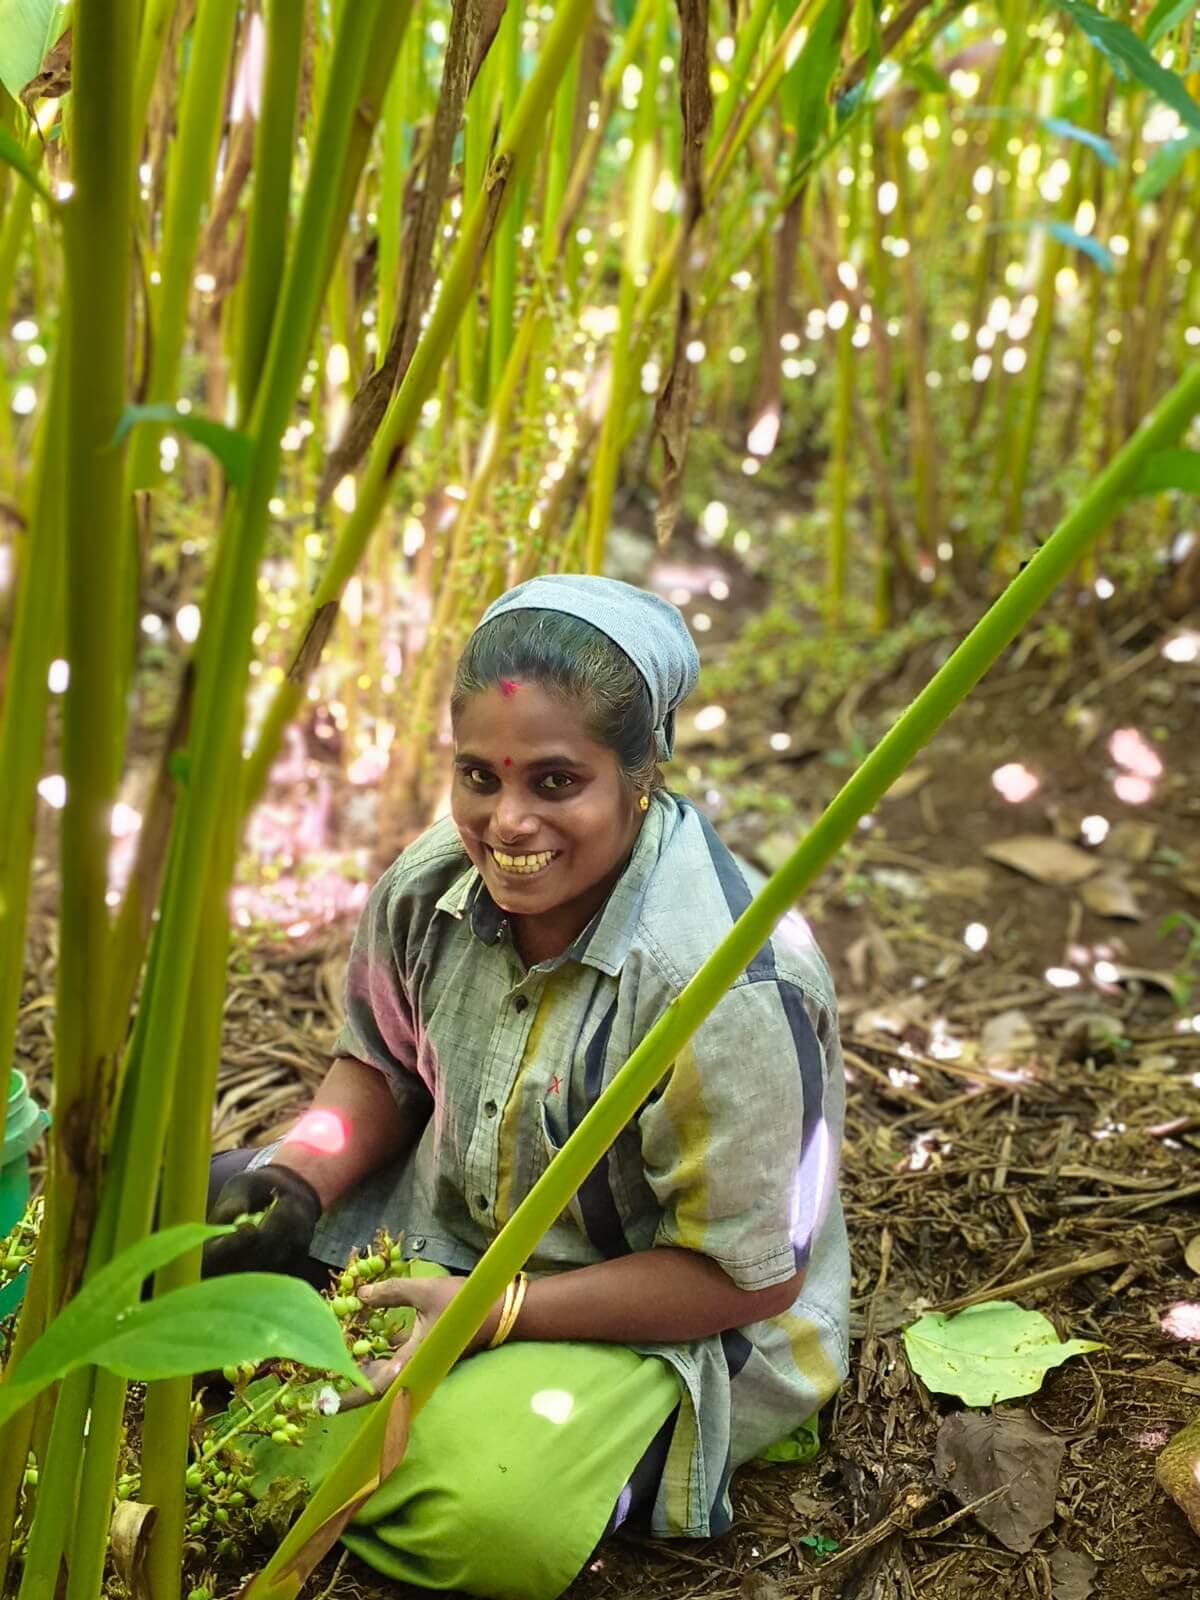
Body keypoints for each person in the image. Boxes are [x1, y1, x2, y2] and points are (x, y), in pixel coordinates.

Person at [205, 574, 849, 1599]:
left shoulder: (718, 980)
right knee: (164, 1241)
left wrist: (493, 1314)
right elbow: (380, 1067)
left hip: (649, 1314)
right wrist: (297, 1179)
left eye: (556, 783)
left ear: (643, 775)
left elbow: (749, 1274)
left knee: (489, 1519)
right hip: (438, 1244)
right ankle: (357, 1433)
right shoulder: (429, 883)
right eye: (477, 777)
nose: (507, 823)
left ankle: (409, 1439)